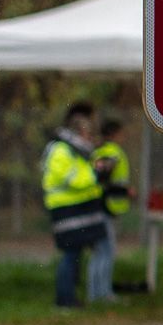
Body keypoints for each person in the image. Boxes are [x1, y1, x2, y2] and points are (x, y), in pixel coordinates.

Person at [41, 102, 108, 308]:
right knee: (70, 255)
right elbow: (75, 180)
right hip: (67, 209)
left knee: (74, 254)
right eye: (88, 134)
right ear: (78, 132)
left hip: (75, 209)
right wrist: (96, 173)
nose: (90, 138)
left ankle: (70, 297)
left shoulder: (72, 150)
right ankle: (65, 300)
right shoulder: (62, 151)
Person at [92, 117, 133, 301]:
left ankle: (96, 294)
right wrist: (125, 191)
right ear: (114, 134)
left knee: (100, 252)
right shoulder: (112, 154)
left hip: (100, 206)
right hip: (105, 207)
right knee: (106, 251)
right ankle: (103, 294)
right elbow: (103, 181)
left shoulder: (99, 151)